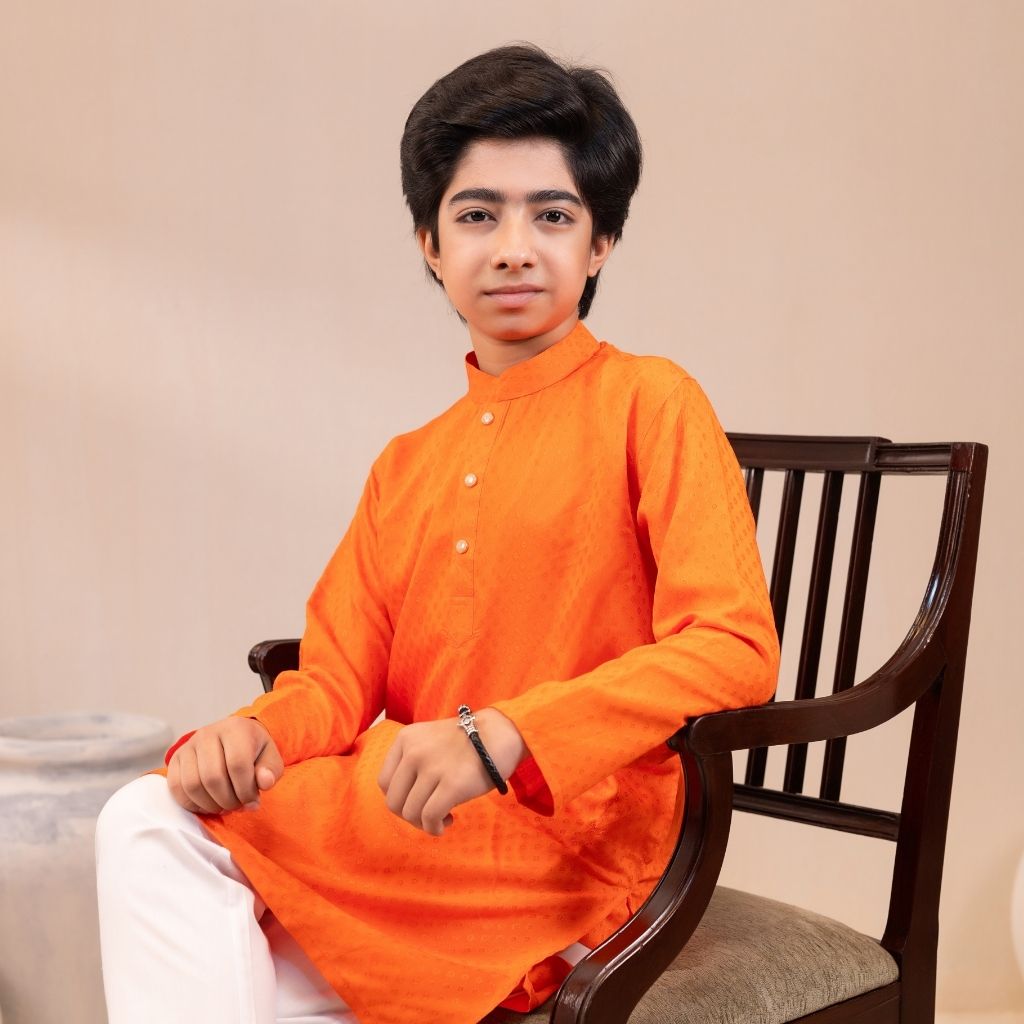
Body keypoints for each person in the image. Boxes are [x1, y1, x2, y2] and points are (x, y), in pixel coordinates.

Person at [95, 43, 780, 1024]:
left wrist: (511, 733)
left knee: (180, 902)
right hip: (414, 834)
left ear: (599, 244)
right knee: (161, 821)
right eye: (477, 215)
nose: (513, 248)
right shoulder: (407, 462)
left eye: (552, 215)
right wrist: (249, 737)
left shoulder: (652, 402)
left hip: (573, 848)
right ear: (429, 243)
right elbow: (335, 682)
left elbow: (733, 646)